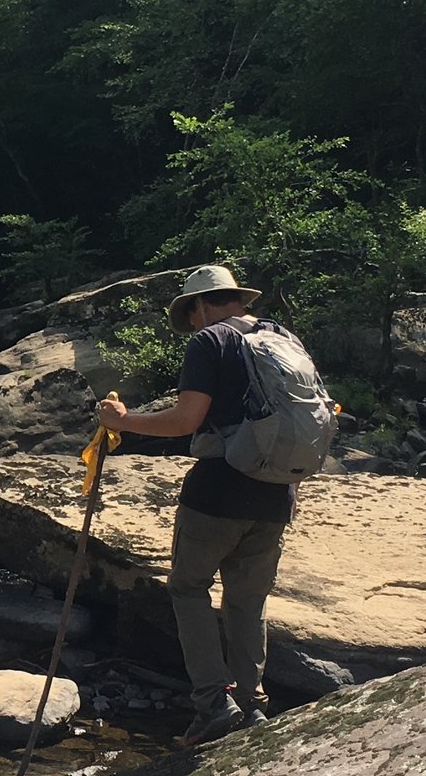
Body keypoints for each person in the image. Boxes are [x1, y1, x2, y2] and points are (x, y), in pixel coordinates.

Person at [95, 264, 295, 747]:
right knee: (248, 601)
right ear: (237, 298)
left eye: (192, 313)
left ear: (201, 305)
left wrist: (123, 420)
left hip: (218, 491)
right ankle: (251, 704)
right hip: (277, 493)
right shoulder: (282, 338)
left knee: (188, 590)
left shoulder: (210, 342)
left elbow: (186, 420)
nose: (194, 322)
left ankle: (212, 704)